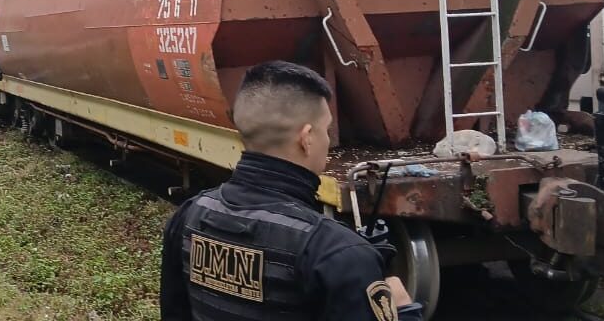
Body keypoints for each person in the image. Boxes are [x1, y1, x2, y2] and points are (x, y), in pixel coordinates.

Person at [160, 61, 422, 321]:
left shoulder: (188, 216)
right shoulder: (337, 251)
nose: (328, 141)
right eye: (326, 130)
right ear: (306, 137)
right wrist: (402, 310)